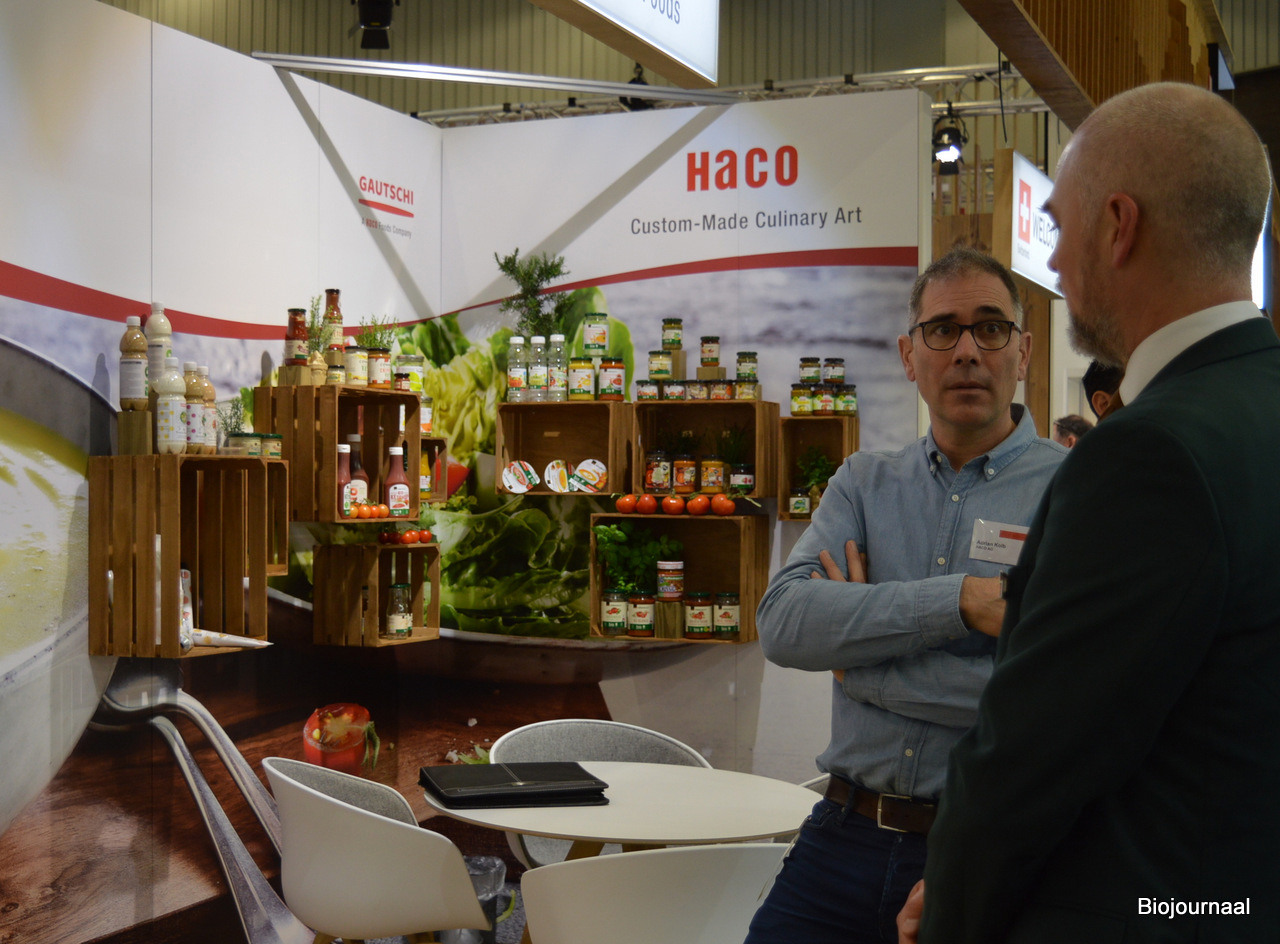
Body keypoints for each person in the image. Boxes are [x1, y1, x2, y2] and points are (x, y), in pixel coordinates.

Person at [904, 82, 1279, 944]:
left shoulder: (1148, 455)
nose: (1057, 264)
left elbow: (1031, 759)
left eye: (1058, 229)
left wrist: (954, 914)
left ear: (1118, 226)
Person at [744, 247, 1066, 944]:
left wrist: (862, 665)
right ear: (908, 355)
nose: (967, 351)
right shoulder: (863, 483)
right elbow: (785, 623)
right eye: (943, 329)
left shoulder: (1074, 493)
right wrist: (962, 601)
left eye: (991, 328)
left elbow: (1056, 699)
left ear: (1023, 351)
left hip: (983, 849)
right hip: (840, 833)